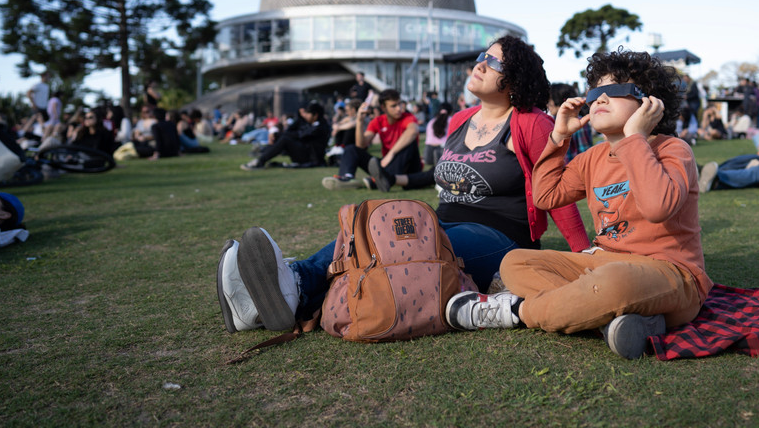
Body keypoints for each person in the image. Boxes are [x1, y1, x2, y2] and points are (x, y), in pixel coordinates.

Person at [217, 36, 590, 333]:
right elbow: (444, 174)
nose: (479, 64)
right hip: (442, 221)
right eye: (482, 55)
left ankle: (290, 287)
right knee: (371, 226)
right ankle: (274, 293)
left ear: (516, 79)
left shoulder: (532, 122)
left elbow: (555, 192)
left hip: (501, 236)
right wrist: (401, 181)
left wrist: (581, 257)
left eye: (493, 61)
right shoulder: (460, 119)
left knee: (397, 243)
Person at [443, 49, 711, 361]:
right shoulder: (593, 157)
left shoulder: (673, 150)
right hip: (602, 263)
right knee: (515, 263)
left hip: (671, 273)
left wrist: (634, 138)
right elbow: (546, 197)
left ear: (650, 103)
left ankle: (516, 311)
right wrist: (558, 139)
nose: (600, 99)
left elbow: (657, 208)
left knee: (613, 283)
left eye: (615, 90)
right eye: (595, 92)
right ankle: (619, 319)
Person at [321, 88, 421, 190]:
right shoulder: (378, 121)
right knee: (351, 149)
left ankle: (379, 180)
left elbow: (413, 131)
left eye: (399, 104)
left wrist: (391, 153)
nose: (399, 108)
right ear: (383, 108)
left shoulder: (408, 117)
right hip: (387, 165)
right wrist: (359, 121)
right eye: (394, 106)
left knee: (410, 142)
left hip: (409, 166)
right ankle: (347, 178)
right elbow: (361, 145)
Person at [241, 102, 329, 169]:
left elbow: (301, 135)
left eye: (308, 113)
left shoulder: (320, 126)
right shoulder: (313, 123)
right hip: (306, 153)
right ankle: (262, 154)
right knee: (282, 138)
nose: (305, 115)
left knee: (285, 139)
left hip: (311, 158)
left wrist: (278, 134)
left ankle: (260, 161)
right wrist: (276, 135)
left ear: (315, 115)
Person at [548, 82, 593, 163]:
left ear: (558, 99)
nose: (548, 104)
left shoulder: (577, 122)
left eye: (550, 100)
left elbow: (585, 154)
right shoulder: (552, 122)